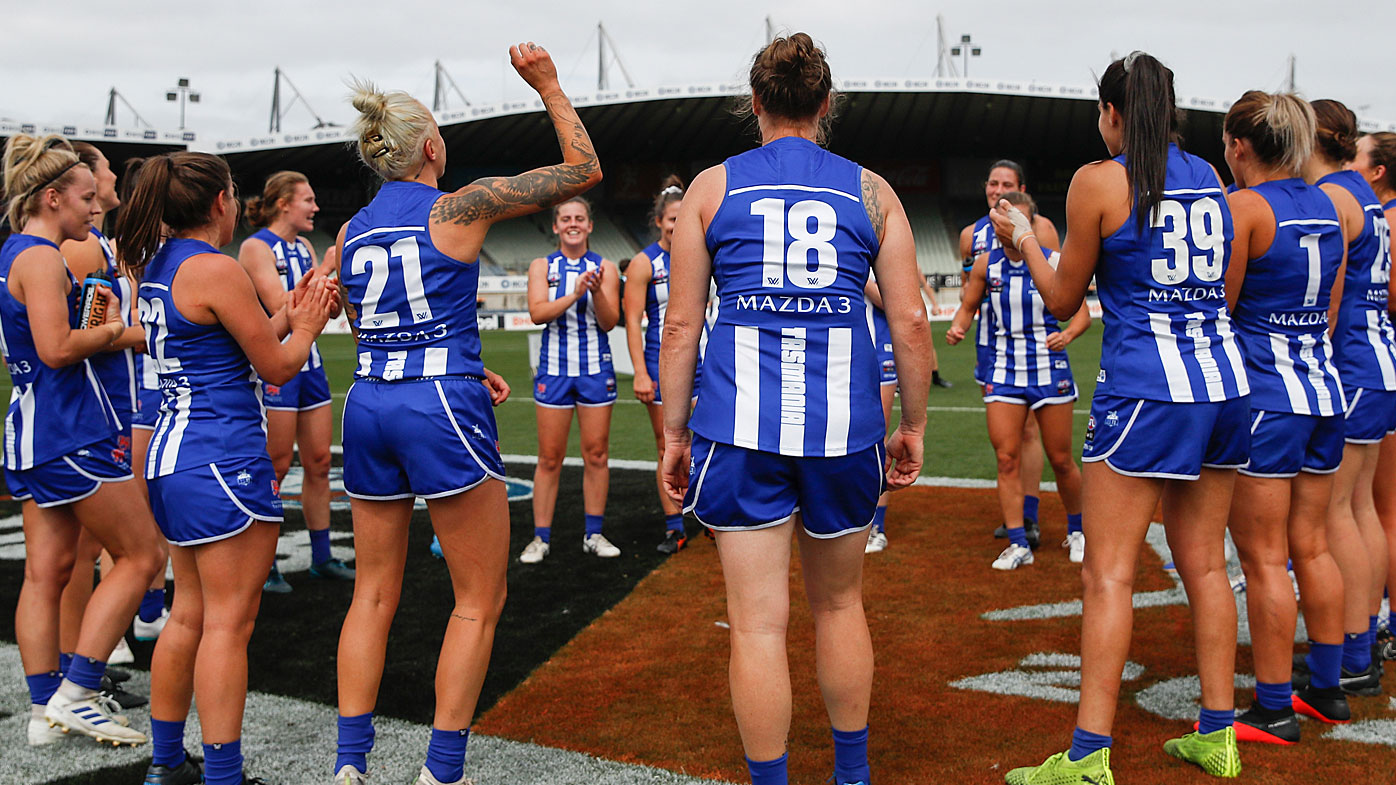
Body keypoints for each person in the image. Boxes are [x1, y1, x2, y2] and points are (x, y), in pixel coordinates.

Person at [660, 33, 932, 785]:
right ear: (826, 104)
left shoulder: (711, 189)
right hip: (845, 428)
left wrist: (673, 436)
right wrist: (911, 425)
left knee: (756, 624)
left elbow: (681, 325)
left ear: (755, 105)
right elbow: (910, 321)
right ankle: (851, 776)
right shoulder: (871, 189)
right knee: (840, 606)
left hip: (738, 430)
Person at [331, 42, 599, 785]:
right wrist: (548, 83)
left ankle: (350, 766)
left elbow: (362, 320)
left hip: (370, 401)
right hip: (439, 403)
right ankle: (441, 770)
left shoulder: (352, 230)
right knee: (479, 597)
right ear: (432, 146)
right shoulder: (460, 203)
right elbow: (583, 171)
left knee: (372, 591)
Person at [992, 52, 1248, 782]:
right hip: (1222, 382)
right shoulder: (1210, 178)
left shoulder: (1098, 180)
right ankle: (1220, 733)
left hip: (1146, 389)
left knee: (1107, 574)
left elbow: (1062, 299)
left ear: (1111, 113)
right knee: (1204, 565)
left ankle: (1089, 755)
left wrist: (1023, 242)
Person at [115, 151, 337, 785]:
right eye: (233, 195)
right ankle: (223, 774)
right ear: (219, 203)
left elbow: (230, 339)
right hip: (219, 456)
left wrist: (287, 316)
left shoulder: (161, 264)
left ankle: (166, 764)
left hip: (173, 456)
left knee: (188, 615)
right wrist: (311, 324)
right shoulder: (214, 267)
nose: (237, 204)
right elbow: (276, 366)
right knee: (228, 625)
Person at [2, 133, 164, 748]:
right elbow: (57, 347)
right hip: (71, 429)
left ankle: (44, 710)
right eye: (85, 198)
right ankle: (78, 691)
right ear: (51, 199)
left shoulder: (16, 252)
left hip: (35, 429)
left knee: (46, 571)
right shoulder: (41, 257)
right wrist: (120, 334)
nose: (93, 209)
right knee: (143, 555)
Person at [1222, 92, 1350, 742]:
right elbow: (1330, 310)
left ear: (1240, 146)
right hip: (1324, 392)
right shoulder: (1328, 203)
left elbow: (1225, 308)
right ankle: (1326, 687)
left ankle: (1272, 705)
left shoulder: (1242, 207)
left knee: (1264, 558)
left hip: (1268, 401)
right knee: (1315, 544)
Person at [56, 143, 168, 683]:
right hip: (93, 409)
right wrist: (156, 337)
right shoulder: (82, 251)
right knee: (82, 549)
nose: (113, 174)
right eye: (103, 167)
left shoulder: (101, 243)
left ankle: (83, 660)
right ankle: (78, 663)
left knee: (92, 546)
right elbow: (84, 336)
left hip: (112, 406)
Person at [948, 189, 1089, 570]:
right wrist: (959, 328)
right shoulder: (984, 265)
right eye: (998, 218)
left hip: (1049, 366)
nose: (1002, 226)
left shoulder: (1053, 260)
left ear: (1030, 224)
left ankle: (1077, 531)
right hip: (1003, 369)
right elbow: (968, 306)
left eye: (1012, 219)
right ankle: (1017, 542)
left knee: (1060, 458)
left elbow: (1082, 314)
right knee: (1007, 457)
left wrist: (1069, 334)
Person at [238, 170, 354, 592]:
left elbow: (330, 309)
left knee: (320, 462)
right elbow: (281, 306)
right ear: (284, 203)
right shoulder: (255, 247)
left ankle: (322, 556)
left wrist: (334, 288)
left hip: (311, 362)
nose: (315, 207)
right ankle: (264, 564)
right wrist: (325, 269)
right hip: (278, 364)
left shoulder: (304, 246)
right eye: (308, 199)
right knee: (277, 464)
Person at [959, 160, 1063, 544]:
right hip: (991, 342)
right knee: (1004, 438)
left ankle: (1030, 515)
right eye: (993, 183)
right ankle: (1016, 514)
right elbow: (968, 283)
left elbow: (1055, 275)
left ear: (1020, 188)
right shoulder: (971, 234)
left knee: (1030, 430)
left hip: (1031, 342)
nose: (998, 189)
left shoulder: (1042, 227)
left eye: (1007, 184)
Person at [520, 196, 621, 563]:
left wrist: (594, 291)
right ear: (557, 226)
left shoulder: (605, 267)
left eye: (580, 217)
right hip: (554, 370)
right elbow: (537, 313)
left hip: (596, 369)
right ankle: (540, 538)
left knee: (596, 454)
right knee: (549, 458)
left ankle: (594, 534)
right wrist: (575, 293)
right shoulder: (541, 266)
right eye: (566, 218)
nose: (573, 223)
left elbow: (610, 321)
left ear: (590, 226)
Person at [623, 176, 689, 554]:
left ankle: (709, 517)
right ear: (660, 222)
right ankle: (674, 527)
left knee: (709, 442)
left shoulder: (705, 255)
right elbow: (632, 321)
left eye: (684, 218)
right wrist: (642, 373)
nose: (677, 226)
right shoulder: (643, 263)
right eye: (672, 220)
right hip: (662, 366)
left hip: (706, 364)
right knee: (667, 447)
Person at [1351, 130, 1396, 664]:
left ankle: (1370, 629)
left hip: (1371, 361)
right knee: (1376, 508)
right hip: (1381, 362)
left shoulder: (1382, 215)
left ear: (1378, 170)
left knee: (1373, 509)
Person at [860, 276, 898, 553]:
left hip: (876, 350)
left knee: (876, 439)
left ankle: (876, 525)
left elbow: (895, 302)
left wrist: (856, 274)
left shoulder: (877, 240)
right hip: (833, 348)